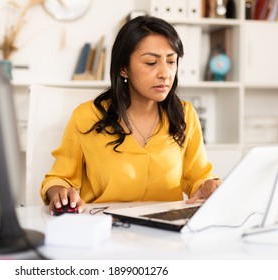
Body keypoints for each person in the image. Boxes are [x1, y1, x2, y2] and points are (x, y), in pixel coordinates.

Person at [40, 16, 222, 215]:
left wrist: (207, 186)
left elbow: (198, 177)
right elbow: (59, 178)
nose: (165, 73)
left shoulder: (184, 115)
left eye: (171, 61)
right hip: (106, 229)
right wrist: (59, 193)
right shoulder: (86, 116)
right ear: (123, 68)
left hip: (165, 234)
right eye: (151, 62)